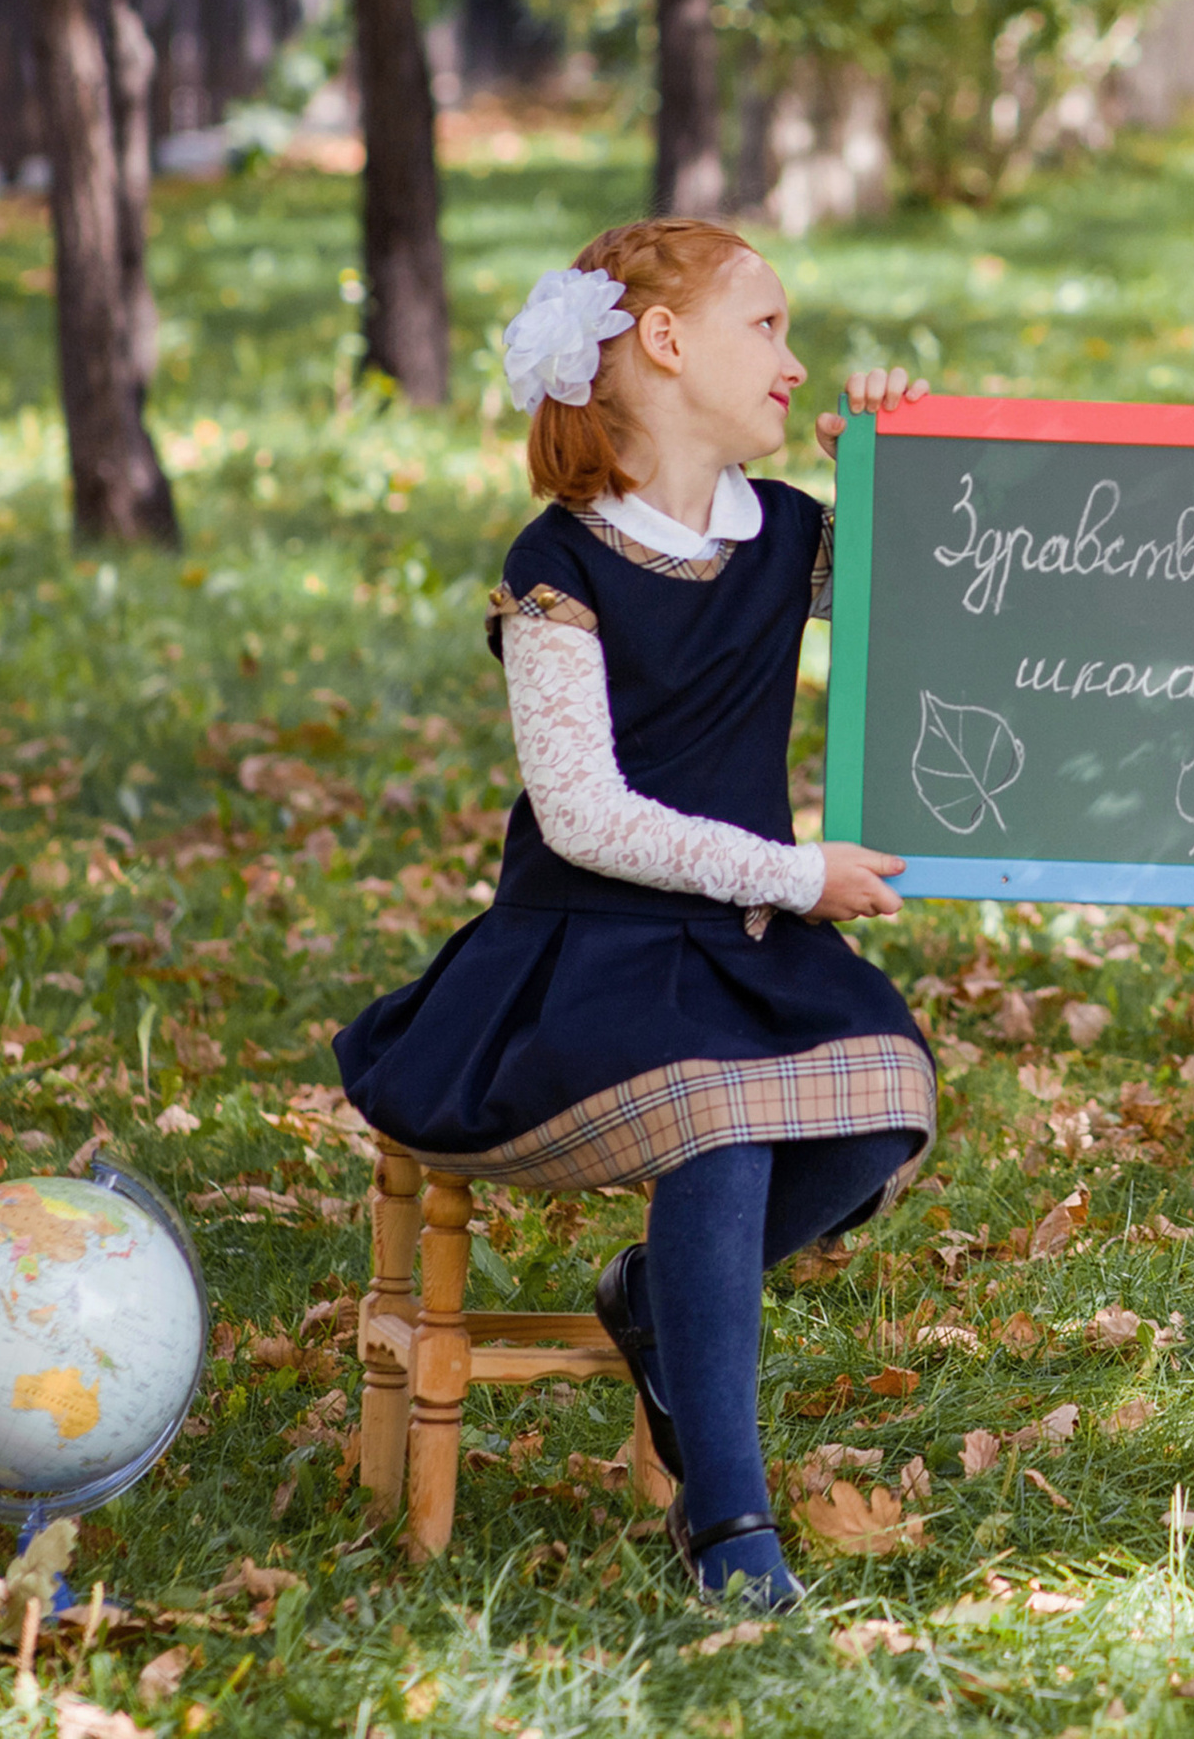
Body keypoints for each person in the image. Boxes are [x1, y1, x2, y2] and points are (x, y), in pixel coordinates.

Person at [336, 219, 932, 1610]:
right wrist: (794, 871)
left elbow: (927, 616)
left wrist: (900, 473)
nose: (794, 362)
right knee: (720, 1114)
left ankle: (655, 1304)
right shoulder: (564, 564)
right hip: (583, 950)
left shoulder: (786, 534)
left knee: (882, 1107)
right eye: (768, 328)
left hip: (737, 944)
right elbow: (586, 815)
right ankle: (730, 1524)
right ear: (666, 344)